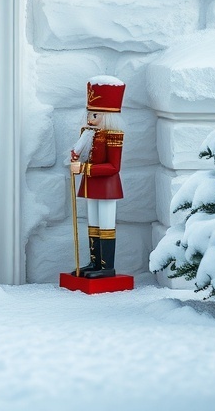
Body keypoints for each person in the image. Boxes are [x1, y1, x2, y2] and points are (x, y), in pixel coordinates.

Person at [69, 76, 125, 279]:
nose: (90, 118)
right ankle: (95, 262)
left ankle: (107, 266)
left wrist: (84, 167)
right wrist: (76, 157)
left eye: (95, 114)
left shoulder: (113, 135)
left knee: (106, 225)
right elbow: (84, 153)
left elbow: (113, 167)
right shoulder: (89, 133)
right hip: (91, 184)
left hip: (107, 186)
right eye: (90, 114)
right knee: (93, 223)